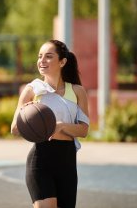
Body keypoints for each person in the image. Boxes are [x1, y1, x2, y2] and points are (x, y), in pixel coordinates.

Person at [11, 39, 89, 208]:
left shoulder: (77, 91)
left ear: (62, 62)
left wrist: (61, 126)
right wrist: (25, 112)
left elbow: (83, 130)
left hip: (67, 161)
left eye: (48, 56)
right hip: (41, 158)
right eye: (40, 56)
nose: (42, 61)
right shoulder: (32, 90)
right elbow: (14, 129)